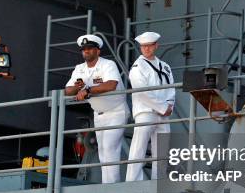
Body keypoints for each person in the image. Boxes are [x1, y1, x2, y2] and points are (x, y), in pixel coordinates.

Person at [65, 35, 129, 184]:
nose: (86, 51)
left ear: (97, 51)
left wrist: (88, 90)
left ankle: (111, 186)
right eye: (84, 49)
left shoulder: (108, 65)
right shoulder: (79, 69)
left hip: (116, 111)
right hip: (99, 114)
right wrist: (78, 87)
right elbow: (68, 91)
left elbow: (111, 85)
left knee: (109, 148)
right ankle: (107, 185)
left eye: (89, 49)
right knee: (102, 153)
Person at [126, 32, 175, 182]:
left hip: (164, 114)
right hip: (145, 111)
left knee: (161, 151)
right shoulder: (137, 66)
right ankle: (132, 182)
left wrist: (169, 105)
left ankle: (158, 181)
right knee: (138, 148)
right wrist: (162, 106)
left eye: (149, 46)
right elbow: (141, 92)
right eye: (143, 46)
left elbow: (171, 88)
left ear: (156, 46)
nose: (146, 49)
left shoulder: (165, 66)